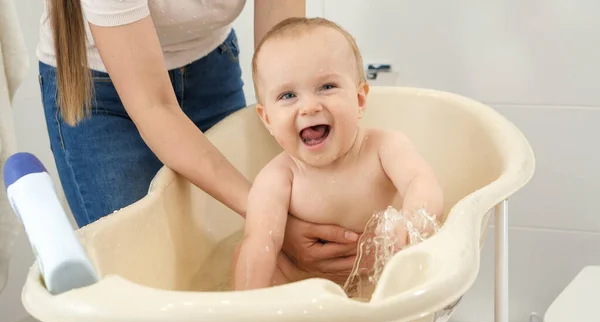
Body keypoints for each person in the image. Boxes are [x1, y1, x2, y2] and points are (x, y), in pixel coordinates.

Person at [37, 1, 360, 281]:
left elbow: (286, 49)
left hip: (211, 66)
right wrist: (271, 219)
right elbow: (154, 106)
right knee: (143, 268)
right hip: (99, 90)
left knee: (233, 243)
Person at [232, 17, 445, 291]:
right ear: (267, 120)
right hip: (304, 288)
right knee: (245, 253)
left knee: (414, 270)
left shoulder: (383, 148)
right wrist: (244, 312)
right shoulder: (278, 177)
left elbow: (422, 182)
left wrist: (410, 223)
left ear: (359, 100)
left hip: (378, 281)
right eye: (287, 95)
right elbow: (261, 242)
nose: (309, 107)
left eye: (327, 87)